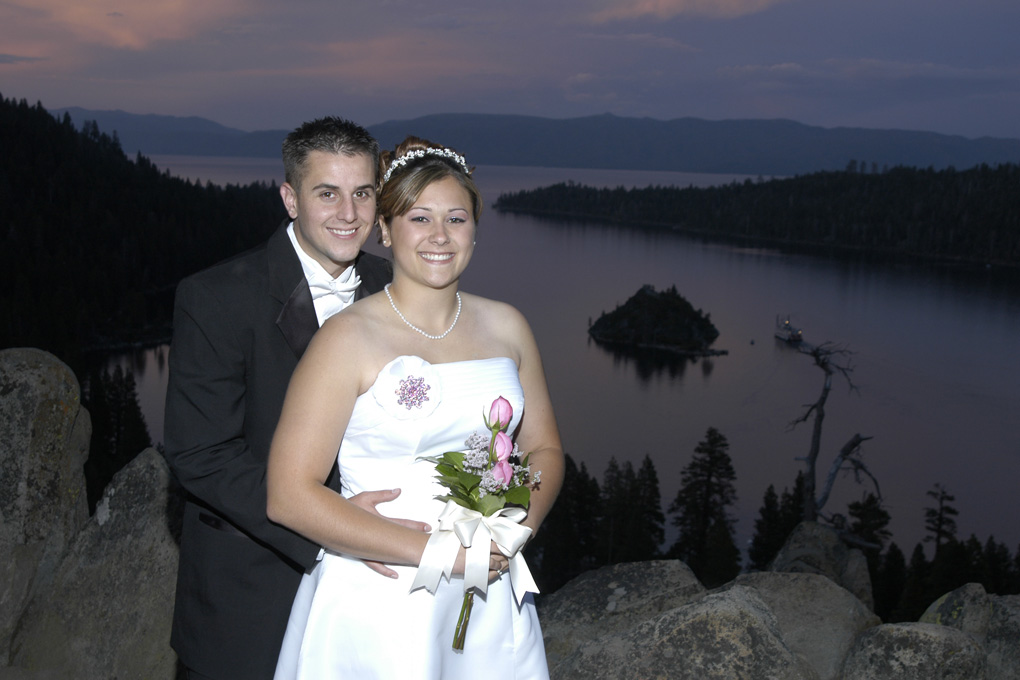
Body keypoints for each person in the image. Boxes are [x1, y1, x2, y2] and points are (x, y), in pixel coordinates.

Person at [267, 136, 565, 678]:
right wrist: (438, 554)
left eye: (456, 218)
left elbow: (544, 447)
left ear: (476, 227)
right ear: (384, 228)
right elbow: (288, 495)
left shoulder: (508, 326)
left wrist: (515, 528)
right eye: (419, 218)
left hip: (489, 589)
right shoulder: (345, 339)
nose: (440, 237)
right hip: (380, 601)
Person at [163, 117, 421, 680]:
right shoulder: (216, 297)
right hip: (255, 588)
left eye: (362, 193)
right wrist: (335, 528)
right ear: (290, 198)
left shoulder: (400, 291)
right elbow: (201, 455)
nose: (348, 214)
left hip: (383, 594)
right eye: (326, 193)